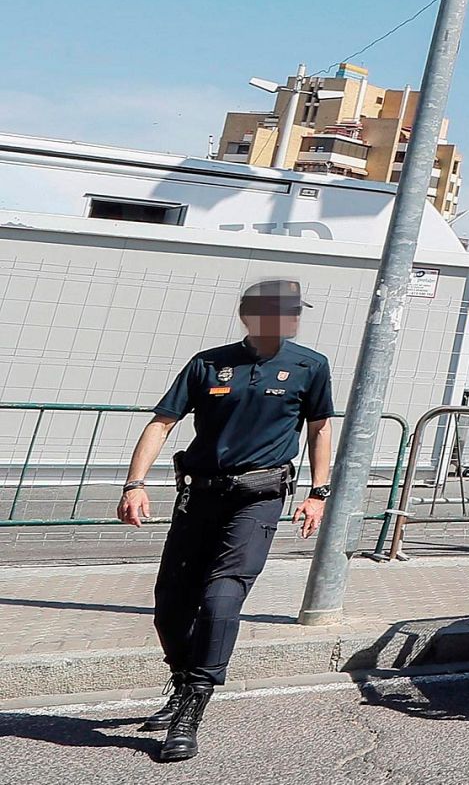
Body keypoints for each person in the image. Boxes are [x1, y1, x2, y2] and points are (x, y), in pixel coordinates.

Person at [116, 279, 335, 762]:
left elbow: (319, 430)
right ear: (250, 315)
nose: (290, 319)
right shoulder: (208, 363)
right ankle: (180, 681)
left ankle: (193, 705)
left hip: (258, 497)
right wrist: (134, 484)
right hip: (200, 495)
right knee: (171, 604)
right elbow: (162, 423)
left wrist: (319, 493)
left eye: (294, 312)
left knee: (221, 596)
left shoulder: (310, 366)